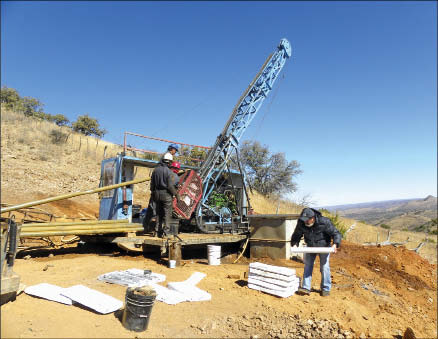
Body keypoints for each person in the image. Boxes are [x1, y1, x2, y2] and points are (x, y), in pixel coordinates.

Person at [291, 207, 341, 297]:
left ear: (313, 218)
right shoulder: (301, 222)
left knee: (324, 267)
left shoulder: (324, 222)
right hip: (310, 246)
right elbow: (297, 234)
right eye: (304, 220)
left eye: (307, 220)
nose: (305, 222)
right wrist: (294, 243)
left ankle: (326, 289)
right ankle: (306, 288)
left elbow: (336, 233)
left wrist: (335, 244)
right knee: (308, 266)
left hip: (324, 247)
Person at [149, 153, 179, 238]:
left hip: (156, 194)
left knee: (158, 213)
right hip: (166, 194)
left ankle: (156, 231)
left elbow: (152, 185)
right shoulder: (168, 172)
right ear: (169, 162)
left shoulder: (155, 170)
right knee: (167, 213)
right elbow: (170, 186)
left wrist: (154, 193)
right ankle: (166, 232)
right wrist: (176, 194)